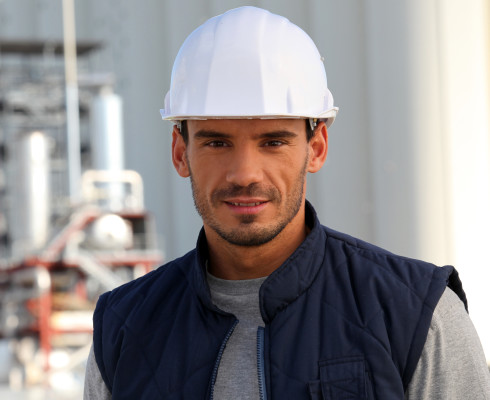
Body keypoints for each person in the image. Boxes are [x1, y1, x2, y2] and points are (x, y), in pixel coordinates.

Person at [84, 6, 490, 399]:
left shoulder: (417, 315)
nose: (245, 174)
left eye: (273, 141)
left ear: (316, 147)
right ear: (180, 152)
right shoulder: (124, 328)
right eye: (216, 142)